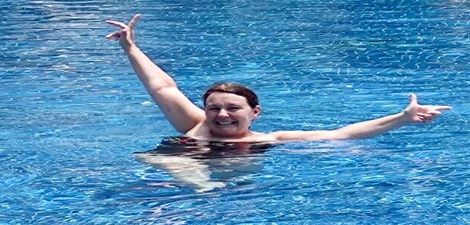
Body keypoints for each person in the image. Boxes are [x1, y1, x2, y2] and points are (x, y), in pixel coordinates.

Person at [106, 14, 451, 190]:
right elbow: (163, 87)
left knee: (168, 162)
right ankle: (196, 185)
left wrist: (402, 118)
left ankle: (199, 187)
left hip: (225, 192)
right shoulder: (194, 124)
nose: (222, 114)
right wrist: (130, 48)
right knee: (159, 159)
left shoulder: (269, 140)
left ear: (255, 113)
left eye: (232, 108)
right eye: (214, 108)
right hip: (182, 181)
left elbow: (342, 135)